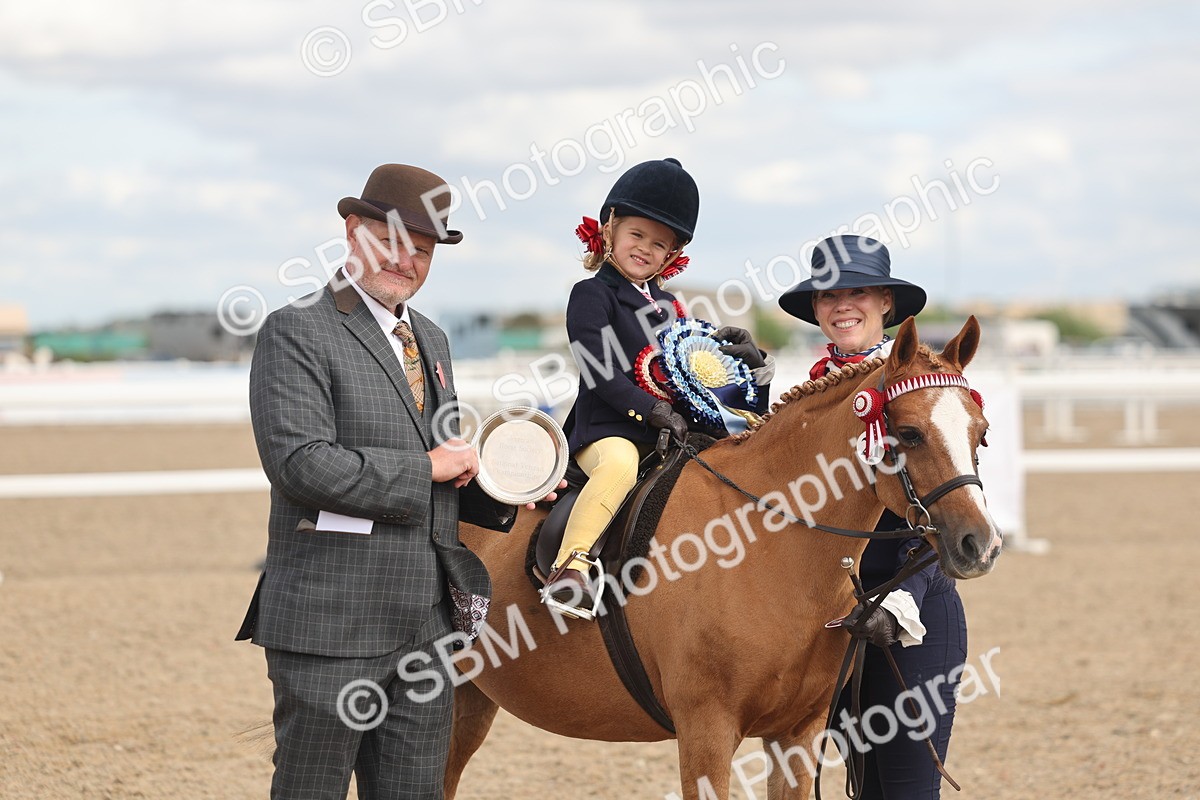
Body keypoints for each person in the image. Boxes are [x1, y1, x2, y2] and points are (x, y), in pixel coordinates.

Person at [235, 164, 553, 799]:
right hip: (331, 622)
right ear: (353, 232)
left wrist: (507, 486)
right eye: (393, 241)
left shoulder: (429, 339)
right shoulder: (296, 328)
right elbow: (300, 463)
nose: (406, 261)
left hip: (426, 627)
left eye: (424, 251)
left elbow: (442, 465)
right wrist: (426, 468)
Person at [779, 235, 966, 799]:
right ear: (815, 309)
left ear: (886, 303)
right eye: (829, 296)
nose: (842, 306)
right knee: (862, 789)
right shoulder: (805, 395)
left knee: (904, 792)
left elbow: (951, 511)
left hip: (910, 621)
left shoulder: (922, 388)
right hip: (830, 626)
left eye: (857, 292)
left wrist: (901, 599)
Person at [549, 157, 772, 614]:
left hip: (671, 432)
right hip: (609, 429)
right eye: (637, 235)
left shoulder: (671, 304)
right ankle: (570, 568)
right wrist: (648, 410)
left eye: (659, 244)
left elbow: (691, 375)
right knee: (618, 467)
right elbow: (598, 371)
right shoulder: (592, 295)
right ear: (610, 228)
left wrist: (741, 369)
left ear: (672, 254)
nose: (645, 249)